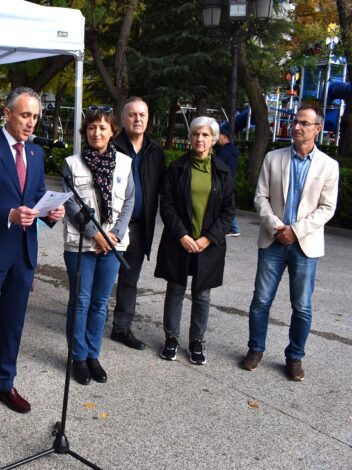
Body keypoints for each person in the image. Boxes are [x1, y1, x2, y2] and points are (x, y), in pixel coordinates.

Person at [0, 87, 65, 423]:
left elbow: (33, 197)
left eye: (35, 116)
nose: (31, 122)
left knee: (14, 324)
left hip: (23, 253)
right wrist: (8, 214)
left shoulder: (35, 155)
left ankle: (4, 382)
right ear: (7, 114)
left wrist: (50, 213)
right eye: (24, 115)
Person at [240, 104, 339, 381]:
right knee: (260, 300)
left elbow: (327, 207)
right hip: (273, 241)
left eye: (304, 123)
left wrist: (295, 231)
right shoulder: (274, 158)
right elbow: (260, 198)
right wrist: (276, 226)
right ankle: (255, 349)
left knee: (302, 306)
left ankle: (295, 357)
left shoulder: (329, 166)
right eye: (296, 122)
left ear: (317, 129)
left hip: (304, 245)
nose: (296, 127)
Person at [62, 108, 134, 385]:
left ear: (112, 131)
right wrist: (96, 233)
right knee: (80, 301)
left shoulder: (125, 164)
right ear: (85, 131)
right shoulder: (72, 163)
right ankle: (77, 357)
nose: (97, 132)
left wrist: (113, 234)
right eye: (92, 127)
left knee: (100, 303)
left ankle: (93, 355)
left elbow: (129, 202)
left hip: (114, 245)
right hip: (80, 244)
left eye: (103, 127)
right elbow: (69, 203)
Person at [155, 116, 234, 365]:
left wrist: (208, 238)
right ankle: (171, 338)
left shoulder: (222, 171)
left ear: (213, 139)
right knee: (175, 290)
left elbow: (228, 212)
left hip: (208, 245)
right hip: (179, 241)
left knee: (202, 295)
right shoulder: (177, 167)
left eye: (205, 135)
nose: (199, 139)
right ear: (190, 138)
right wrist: (182, 235)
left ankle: (196, 341)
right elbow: (166, 205)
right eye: (195, 134)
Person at [110, 97, 166, 351]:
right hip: (112, 224)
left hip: (140, 225)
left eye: (142, 114)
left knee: (130, 279)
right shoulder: (111, 147)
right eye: (132, 115)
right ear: (123, 119)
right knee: (104, 275)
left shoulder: (156, 151)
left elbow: (162, 189)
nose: (138, 119)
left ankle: (122, 328)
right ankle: (90, 321)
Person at [216, 124, 241, 236]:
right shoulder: (232, 149)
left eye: (218, 136)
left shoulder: (225, 151)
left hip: (223, 180)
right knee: (226, 202)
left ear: (224, 136)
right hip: (229, 179)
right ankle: (232, 228)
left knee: (225, 203)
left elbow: (218, 164)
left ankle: (234, 228)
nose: (217, 138)